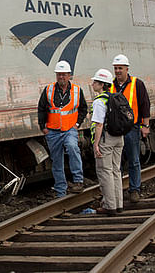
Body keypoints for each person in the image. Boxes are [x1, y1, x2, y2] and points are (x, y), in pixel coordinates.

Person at [38, 60, 88, 197]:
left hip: (69, 129)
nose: (61, 77)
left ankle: (78, 181)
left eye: (64, 75)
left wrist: (77, 124)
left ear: (69, 75)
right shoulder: (48, 90)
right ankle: (61, 190)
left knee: (72, 147)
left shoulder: (77, 90)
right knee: (56, 161)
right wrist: (43, 127)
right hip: (52, 131)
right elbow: (41, 108)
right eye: (59, 75)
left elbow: (83, 108)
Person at [110, 54, 151, 203]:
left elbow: (144, 104)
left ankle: (134, 189)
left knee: (133, 160)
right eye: (116, 68)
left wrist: (145, 125)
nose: (118, 71)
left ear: (127, 69)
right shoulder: (111, 85)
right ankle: (117, 191)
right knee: (116, 162)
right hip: (114, 130)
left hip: (132, 128)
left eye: (120, 68)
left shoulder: (136, 84)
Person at [91, 69, 124, 216]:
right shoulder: (116, 97)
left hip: (106, 139)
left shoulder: (99, 101)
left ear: (102, 84)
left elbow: (98, 125)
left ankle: (110, 206)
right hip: (119, 138)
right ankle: (119, 204)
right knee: (116, 171)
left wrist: (96, 144)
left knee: (105, 171)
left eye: (95, 82)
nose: (92, 84)